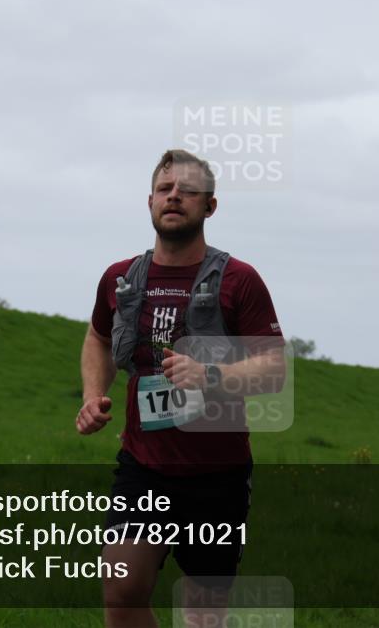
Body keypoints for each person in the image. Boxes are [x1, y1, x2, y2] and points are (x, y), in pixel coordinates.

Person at [77, 149, 286, 628]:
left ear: (210, 207)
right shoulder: (121, 278)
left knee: (203, 614)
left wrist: (210, 376)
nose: (175, 197)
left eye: (188, 191)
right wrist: (93, 395)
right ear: (149, 201)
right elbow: (99, 337)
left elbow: (274, 368)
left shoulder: (239, 280)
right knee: (121, 588)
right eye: (166, 189)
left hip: (218, 475)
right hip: (144, 468)